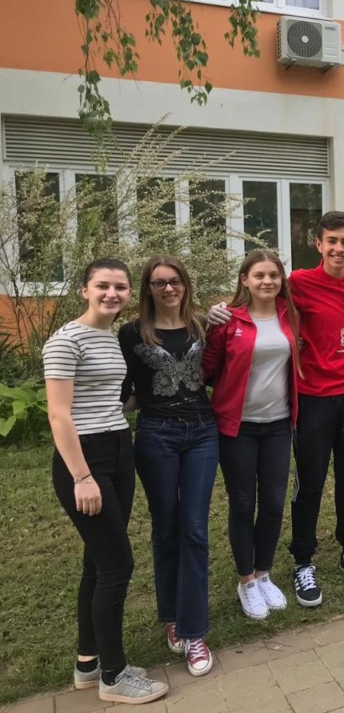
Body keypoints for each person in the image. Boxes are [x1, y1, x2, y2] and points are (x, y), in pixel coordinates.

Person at [209, 212, 344, 600]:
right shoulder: (299, 283)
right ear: (318, 244)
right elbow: (258, 299)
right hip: (314, 397)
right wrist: (221, 310)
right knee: (311, 484)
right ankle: (304, 560)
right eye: (332, 241)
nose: (339, 248)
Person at [45, 259, 169, 705]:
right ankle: (114, 677)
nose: (111, 294)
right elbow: (59, 415)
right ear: (85, 290)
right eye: (102, 286)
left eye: (120, 287)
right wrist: (82, 477)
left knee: (98, 564)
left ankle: (89, 664)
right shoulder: (66, 340)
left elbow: (112, 398)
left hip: (119, 448)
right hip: (85, 457)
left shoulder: (110, 337)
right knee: (118, 566)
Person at [119, 255, 216, 677]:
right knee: (166, 528)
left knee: (194, 529)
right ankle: (172, 616)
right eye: (159, 283)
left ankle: (194, 632)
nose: (169, 288)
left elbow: (220, 371)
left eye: (174, 281)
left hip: (202, 433)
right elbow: (124, 390)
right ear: (148, 289)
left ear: (185, 284)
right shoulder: (131, 333)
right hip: (157, 434)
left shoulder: (202, 326)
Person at [203, 250, 301, 619]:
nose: (267, 281)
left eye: (273, 275)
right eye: (259, 275)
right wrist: (208, 320)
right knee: (243, 504)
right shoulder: (229, 319)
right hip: (238, 427)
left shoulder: (289, 315)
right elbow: (207, 369)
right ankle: (246, 580)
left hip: (278, 424)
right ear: (244, 279)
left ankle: (263, 573)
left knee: (274, 503)